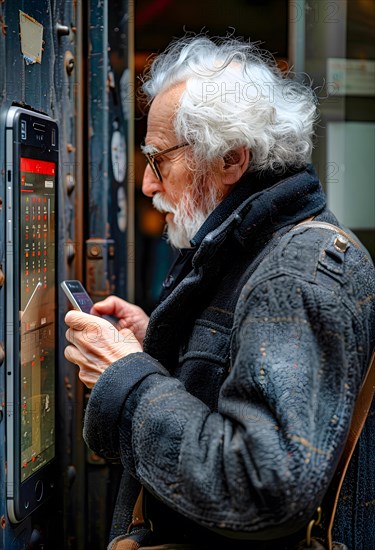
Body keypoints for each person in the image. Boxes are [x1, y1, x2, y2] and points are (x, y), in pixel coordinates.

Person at [64, 36, 375, 549]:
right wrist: (165, 347)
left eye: (158, 160)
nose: (146, 184)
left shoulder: (293, 278)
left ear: (231, 159)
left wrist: (129, 376)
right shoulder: (265, 247)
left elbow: (260, 485)